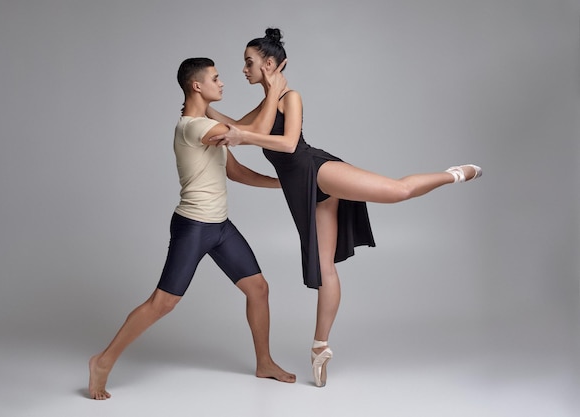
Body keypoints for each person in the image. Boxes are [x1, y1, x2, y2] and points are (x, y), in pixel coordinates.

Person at [206, 28, 483, 388]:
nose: (243, 69)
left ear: (269, 64)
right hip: (302, 189)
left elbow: (288, 144)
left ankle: (453, 175)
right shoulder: (266, 102)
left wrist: (243, 134)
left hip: (317, 171)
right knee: (325, 270)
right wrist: (200, 106)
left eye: (249, 63)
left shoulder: (291, 96)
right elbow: (238, 127)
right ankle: (320, 346)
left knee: (397, 191)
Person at [88, 57, 296, 400]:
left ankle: (264, 362)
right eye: (216, 78)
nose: (223, 82)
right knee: (162, 303)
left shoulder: (206, 124)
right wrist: (273, 91)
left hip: (221, 228)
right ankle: (103, 361)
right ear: (197, 86)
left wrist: (284, 186)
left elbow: (237, 172)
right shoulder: (192, 128)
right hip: (194, 227)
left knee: (258, 289)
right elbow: (251, 135)